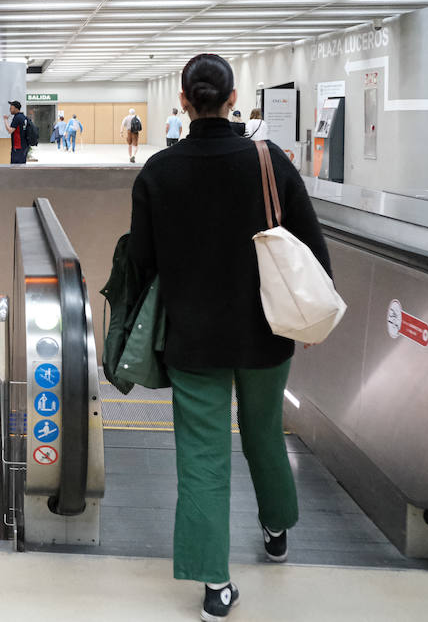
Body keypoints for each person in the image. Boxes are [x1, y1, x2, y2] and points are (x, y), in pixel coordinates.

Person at [127, 53, 331, 621]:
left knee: (200, 456)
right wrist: (313, 318)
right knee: (265, 431)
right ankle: (275, 529)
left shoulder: (158, 172)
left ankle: (215, 584)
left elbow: (142, 262)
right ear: (234, 98)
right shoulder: (270, 162)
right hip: (266, 332)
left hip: (192, 339)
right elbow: (310, 245)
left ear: (185, 102)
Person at [5, 100, 30, 165]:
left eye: (11, 108)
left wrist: (5, 120)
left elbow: (10, 130)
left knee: (15, 167)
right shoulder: (23, 117)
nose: (10, 109)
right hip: (24, 146)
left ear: (16, 108)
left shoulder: (17, 118)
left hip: (17, 147)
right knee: (21, 166)